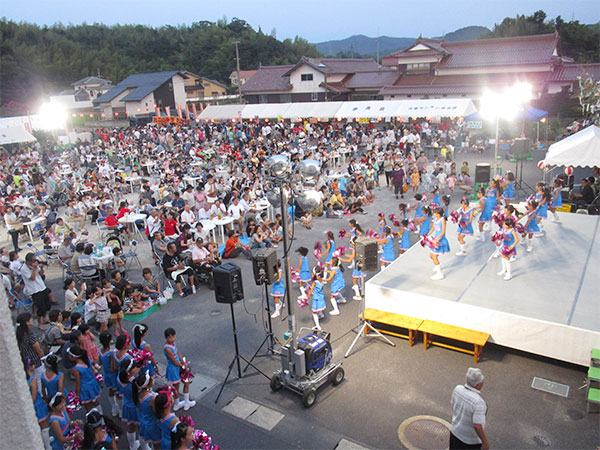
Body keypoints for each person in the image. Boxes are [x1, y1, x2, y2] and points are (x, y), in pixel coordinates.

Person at [449, 367, 489, 450]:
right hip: (469, 441)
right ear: (478, 385)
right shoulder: (478, 402)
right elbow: (477, 425)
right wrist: (485, 442)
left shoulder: (457, 389)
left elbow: (453, 404)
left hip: (455, 433)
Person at [163, 327, 196, 411]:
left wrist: (183, 363)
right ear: (166, 338)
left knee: (186, 382)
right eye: (170, 337)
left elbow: (178, 354)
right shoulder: (167, 348)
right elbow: (173, 361)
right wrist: (182, 366)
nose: (172, 339)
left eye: (173, 336)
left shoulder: (173, 344)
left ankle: (186, 401)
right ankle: (177, 403)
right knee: (176, 387)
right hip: (174, 369)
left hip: (179, 366)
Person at [22, 252, 55, 329]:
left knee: (47, 304)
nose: (35, 262)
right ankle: (39, 324)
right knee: (40, 308)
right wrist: (34, 268)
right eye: (33, 260)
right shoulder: (24, 269)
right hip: (34, 290)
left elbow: (41, 274)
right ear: (28, 261)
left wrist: (41, 267)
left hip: (41, 287)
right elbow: (32, 278)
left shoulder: (35, 266)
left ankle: (44, 318)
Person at [25, 355, 51, 450]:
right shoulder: (33, 381)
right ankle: (47, 446)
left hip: (33, 405)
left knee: (39, 426)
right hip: (38, 405)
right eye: (32, 364)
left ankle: (45, 441)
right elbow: (35, 396)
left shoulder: (25, 380)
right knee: (44, 426)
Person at [69, 344, 102, 412]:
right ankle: (101, 417)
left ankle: (92, 419)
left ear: (73, 357)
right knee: (95, 402)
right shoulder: (88, 360)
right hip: (93, 383)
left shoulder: (76, 369)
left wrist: (77, 395)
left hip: (85, 388)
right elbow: (93, 370)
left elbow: (78, 383)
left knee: (88, 406)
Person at [428, 207, 450, 280]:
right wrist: (428, 234)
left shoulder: (442, 220)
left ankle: (439, 274)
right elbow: (433, 228)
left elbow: (443, 231)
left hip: (440, 240)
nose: (433, 214)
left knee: (434, 256)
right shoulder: (435, 219)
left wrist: (437, 239)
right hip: (435, 240)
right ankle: (438, 265)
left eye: (434, 213)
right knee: (431, 255)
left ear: (438, 214)